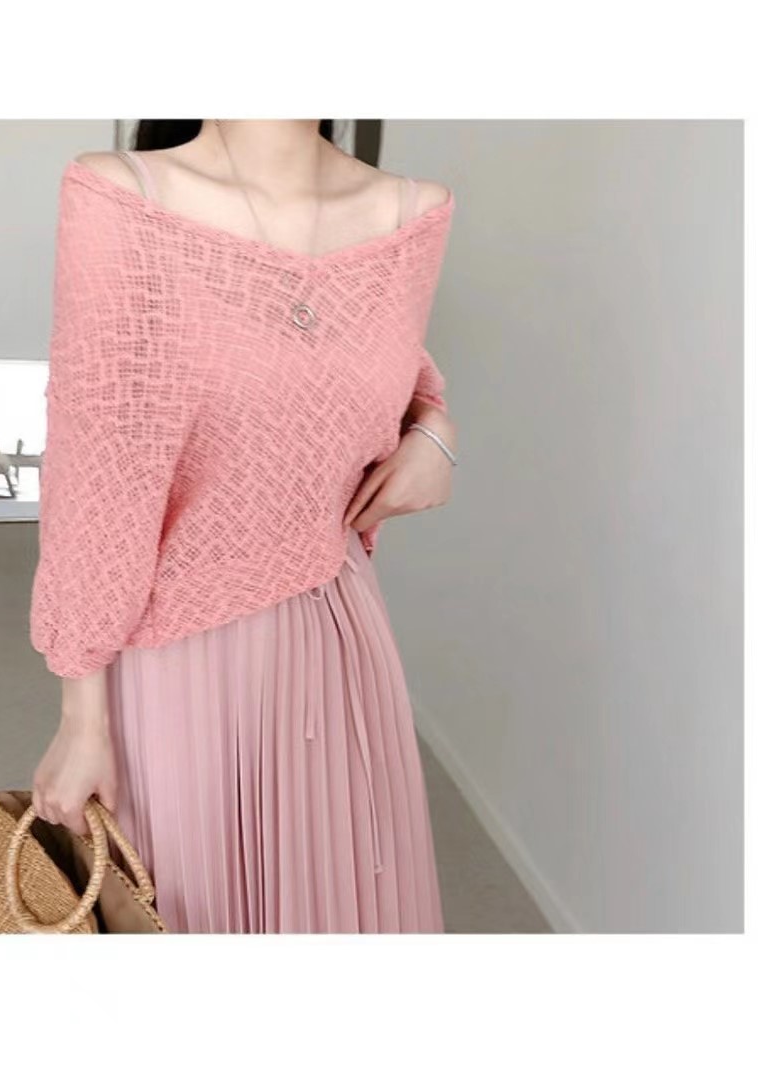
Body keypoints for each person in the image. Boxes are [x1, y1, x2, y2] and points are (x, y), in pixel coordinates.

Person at [28, 119, 458, 932]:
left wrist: (436, 430)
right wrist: (82, 718)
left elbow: (393, 370)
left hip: (337, 634)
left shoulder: (411, 214)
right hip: (179, 651)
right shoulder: (122, 197)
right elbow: (97, 470)